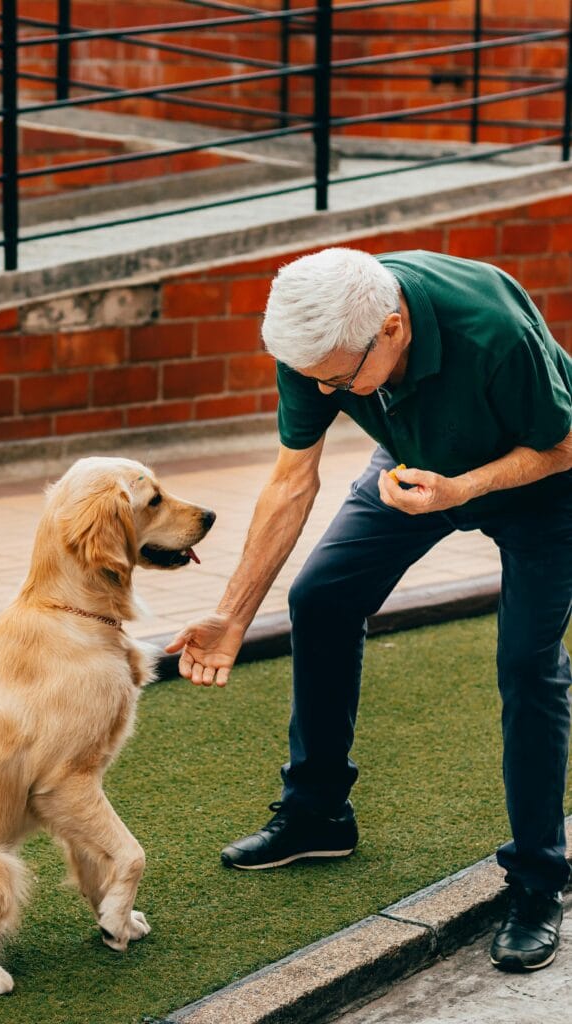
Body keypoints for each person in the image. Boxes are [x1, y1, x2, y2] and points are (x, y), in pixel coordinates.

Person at [166, 248, 572, 973]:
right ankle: (318, 813)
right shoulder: (316, 334)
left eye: (337, 379)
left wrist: (464, 488)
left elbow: (563, 443)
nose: (324, 390)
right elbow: (293, 479)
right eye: (313, 377)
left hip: (538, 479)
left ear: (390, 330)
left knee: (526, 666)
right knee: (320, 598)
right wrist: (231, 614)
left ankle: (537, 882)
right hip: (413, 468)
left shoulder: (492, 329)